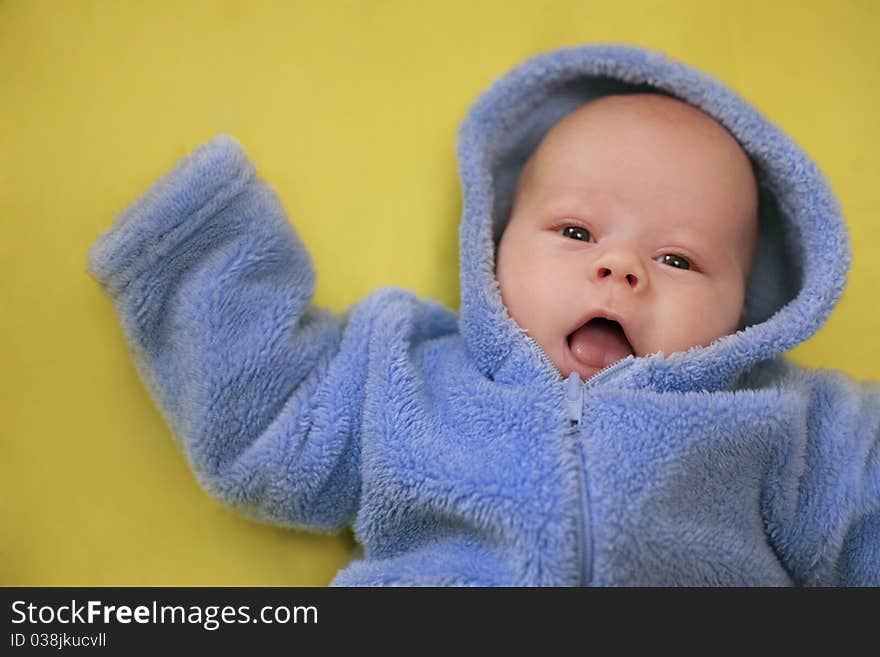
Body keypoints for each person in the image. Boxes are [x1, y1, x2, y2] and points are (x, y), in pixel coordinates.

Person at [87, 43, 880, 586]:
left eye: (677, 260)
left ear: (745, 305)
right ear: (494, 243)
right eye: (576, 232)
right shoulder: (404, 373)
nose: (620, 267)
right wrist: (202, 249)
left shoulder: (790, 425)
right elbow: (268, 419)